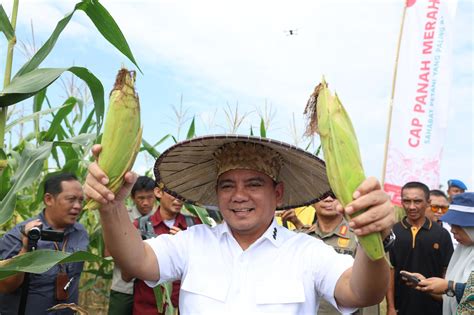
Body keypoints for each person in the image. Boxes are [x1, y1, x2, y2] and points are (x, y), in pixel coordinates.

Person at [84, 135, 395, 314]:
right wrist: (110, 205)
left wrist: (373, 237)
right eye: (227, 185)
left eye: (254, 184)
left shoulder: (306, 252)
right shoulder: (193, 242)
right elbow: (137, 260)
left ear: (278, 193)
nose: (239, 196)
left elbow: (360, 291)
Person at [0, 173, 89, 315]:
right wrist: (25, 249)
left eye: (81, 200)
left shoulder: (81, 233)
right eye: (71, 199)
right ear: (49, 199)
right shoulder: (20, 234)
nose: (78, 206)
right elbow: (5, 286)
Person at [286, 194, 378, 315]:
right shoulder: (300, 239)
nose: (328, 199)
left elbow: (369, 288)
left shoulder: (358, 238)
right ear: (312, 202)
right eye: (322, 196)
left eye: (333, 196)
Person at [126, 185, 201, 315]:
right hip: (147, 308)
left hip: (183, 307)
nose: (179, 199)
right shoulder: (140, 226)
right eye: (173, 193)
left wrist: (186, 243)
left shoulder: (195, 226)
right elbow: (129, 269)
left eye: (182, 193)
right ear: (158, 192)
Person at [386, 181, 454, 315]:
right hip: (401, 307)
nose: (411, 206)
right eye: (407, 201)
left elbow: (446, 273)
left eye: (417, 201)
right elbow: (390, 271)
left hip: (434, 308)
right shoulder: (392, 231)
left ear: (428, 202)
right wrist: (391, 307)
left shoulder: (441, 234)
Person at [401, 192, 474, 315]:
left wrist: (450, 286)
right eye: (451, 225)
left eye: (458, 225)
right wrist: (428, 286)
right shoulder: (463, 251)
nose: (452, 230)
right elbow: (451, 299)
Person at [107, 175, 157, 315]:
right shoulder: (122, 217)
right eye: (141, 198)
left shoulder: (159, 218)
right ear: (133, 198)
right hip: (124, 287)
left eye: (150, 197)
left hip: (151, 291)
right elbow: (107, 253)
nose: (146, 202)